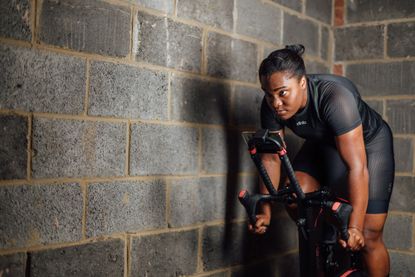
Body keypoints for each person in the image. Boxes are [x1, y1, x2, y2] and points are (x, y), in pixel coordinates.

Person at [248, 44, 394, 277]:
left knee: (368, 235)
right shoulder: (271, 106)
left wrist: (355, 226)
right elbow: (271, 158)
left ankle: (349, 234)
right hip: (323, 144)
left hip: (368, 145)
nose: (275, 103)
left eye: (282, 93)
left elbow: (357, 167)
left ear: (302, 83)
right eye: (269, 94)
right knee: (295, 196)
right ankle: (329, 239)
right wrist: (264, 210)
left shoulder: (335, 97)